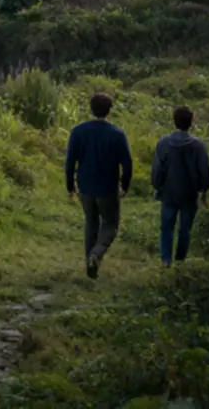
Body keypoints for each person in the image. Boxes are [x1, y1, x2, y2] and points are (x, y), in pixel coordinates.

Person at [65, 93, 133, 279]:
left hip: (85, 185)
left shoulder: (78, 131)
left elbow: (70, 161)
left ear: (91, 109)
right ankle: (97, 254)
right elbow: (127, 163)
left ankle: (90, 265)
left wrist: (70, 185)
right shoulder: (117, 134)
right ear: (110, 110)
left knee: (91, 222)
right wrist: (125, 185)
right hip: (107, 186)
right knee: (110, 224)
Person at [151, 106, 209, 268]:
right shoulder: (198, 146)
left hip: (168, 192)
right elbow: (204, 170)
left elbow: (157, 168)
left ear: (174, 121)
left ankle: (165, 259)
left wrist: (157, 185)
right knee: (185, 228)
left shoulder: (164, 143)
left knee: (166, 227)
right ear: (191, 122)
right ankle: (180, 259)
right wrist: (203, 189)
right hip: (189, 192)